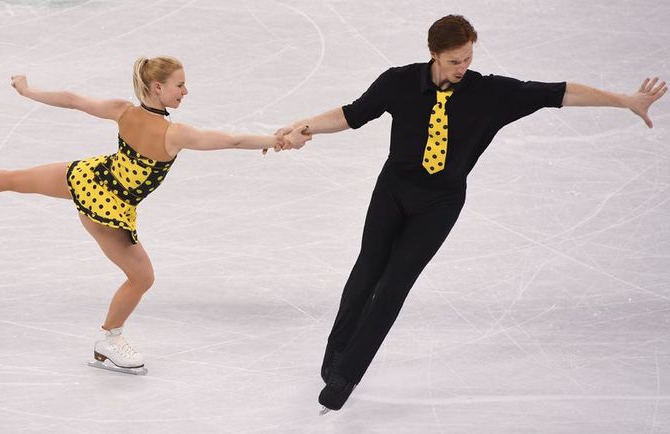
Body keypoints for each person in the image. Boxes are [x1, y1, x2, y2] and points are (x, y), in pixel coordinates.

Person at [275, 14, 667, 412]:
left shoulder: (490, 93)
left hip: (440, 203)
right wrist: (301, 126)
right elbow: (351, 113)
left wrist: (624, 101)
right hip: (392, 191)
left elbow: (561, 93)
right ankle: (337, 351)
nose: (463, 68)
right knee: (366, 273)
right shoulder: (398, 82)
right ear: (433, 55)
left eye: (467, 59)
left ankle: (346, 377)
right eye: (454, 62)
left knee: (394, 285)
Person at [0, 55, 310, 375]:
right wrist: (277, 140)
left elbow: (72, 99)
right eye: (179, 84)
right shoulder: (177, 133)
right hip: (108, 207)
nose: (185, 91)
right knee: (142, 277)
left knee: (16, 178)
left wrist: (28, 91)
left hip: (89, 176)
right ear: (158, 87)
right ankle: (109, 338)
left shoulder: (123, 111)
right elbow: (232, 139)